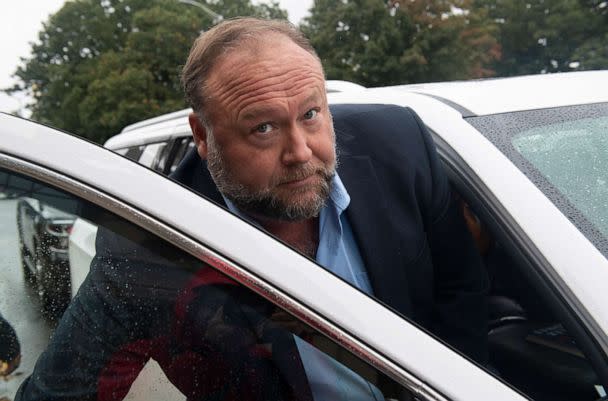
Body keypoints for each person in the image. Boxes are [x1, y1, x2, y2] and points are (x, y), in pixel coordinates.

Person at [16, 17, 488, 400]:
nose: (301, 151)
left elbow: (462, 297)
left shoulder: (399, 146)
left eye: (311, 114)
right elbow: (61, 389)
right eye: (263, 128)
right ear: (202, 136)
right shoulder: (148, 245)